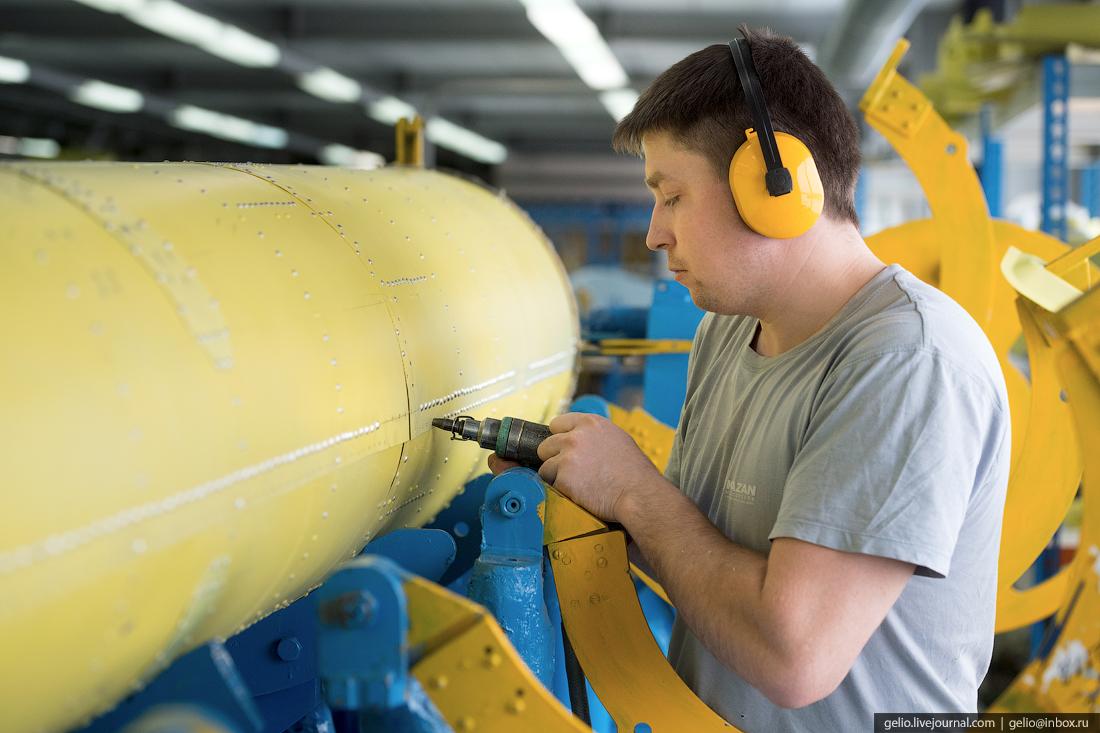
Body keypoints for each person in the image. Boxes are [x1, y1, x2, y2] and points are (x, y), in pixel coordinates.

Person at [489, 25, 1011, 732]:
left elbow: (791, 653)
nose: (653, 233)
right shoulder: (729, 329)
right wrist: (596, 497)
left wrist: (637, 491)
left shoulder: (906, 358)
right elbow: (704, 557)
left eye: (671, 195)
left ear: (774, 186)